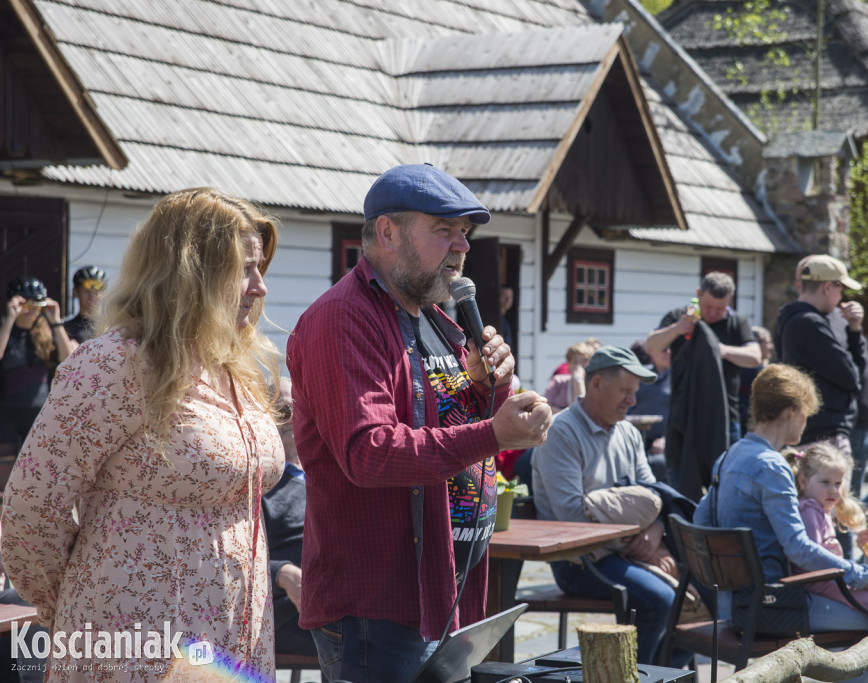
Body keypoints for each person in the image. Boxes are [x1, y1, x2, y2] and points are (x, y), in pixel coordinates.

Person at [0, 187, 286, 679]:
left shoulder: (234, 368)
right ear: (190, 273)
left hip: (231, 647)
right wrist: (74, 609)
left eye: (260, 269)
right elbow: (30, 514)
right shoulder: (115, 366)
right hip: (134, 647)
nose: (259, 287)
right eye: (243, 269)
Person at [286, 163, 552, 683]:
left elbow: (451, 421)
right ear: (387, 232)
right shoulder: (343, 318)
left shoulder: (436, 315)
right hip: (377, 607)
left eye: (465, 233)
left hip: (444, 589)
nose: (462, 247)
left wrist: (489, 388)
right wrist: (496, 432)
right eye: (443, 230)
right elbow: (371, 452)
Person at [693, 364, 868, 639]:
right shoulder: (771, 467)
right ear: (791, 412)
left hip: (732, 604)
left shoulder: (729, 456)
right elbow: (798, 548)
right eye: (805, 414)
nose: (806, 422)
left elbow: (700, 524)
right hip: (774, 605)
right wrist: (862, 574)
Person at [531, 346, 677, 665]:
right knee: (662, 599)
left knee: (700, 596)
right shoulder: (560, 432)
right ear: (595, 384)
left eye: (635, 392)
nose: (633, 401)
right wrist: (636, 542)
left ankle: (662, 672)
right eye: (625, 390)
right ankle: (629, 675)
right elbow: (572, 516)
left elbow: (654, 494)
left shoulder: (627, 432)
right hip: (578, 561)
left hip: (618, 552)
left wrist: (655, 531)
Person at [791, 443, 868, 681]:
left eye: (837, 484)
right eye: (825, 483)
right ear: (804, 482)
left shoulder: (820, 509)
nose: (833, 490)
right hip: (821, 584)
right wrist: (833, 552)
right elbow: (813, 558)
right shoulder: (809, 510)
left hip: (831, 580)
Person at [646, 271, 760, 446]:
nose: (713, 313)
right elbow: (651, 347)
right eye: (708, 307)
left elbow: (755, 357)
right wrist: (677, 329)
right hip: (684, 413)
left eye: (720, 309)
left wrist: (721, 351)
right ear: (698, 294)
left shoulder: (737, 322)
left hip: (725, 416)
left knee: (723, 471)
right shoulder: (680, 315)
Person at [774, 254, 867, 462]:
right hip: (825, 434)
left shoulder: (787, 319)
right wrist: (854, 331)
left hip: (806, 428)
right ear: (827, 287)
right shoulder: (811, 323)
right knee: (833, 495)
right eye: (840, 288)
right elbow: (851, 376)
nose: (841, 297)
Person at [262, 378, 316, 658]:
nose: (290, 419)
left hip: (339, 598)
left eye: (299, 408)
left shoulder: (325, 470)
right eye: (281, 411)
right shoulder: (259, 488)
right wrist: (281, 572)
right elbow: (234, 560)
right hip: (286, 611)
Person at [0, 277, 76, 461]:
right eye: (27, 306)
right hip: (6, 411)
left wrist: (55, 320)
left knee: (35, 467)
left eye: (36, 306)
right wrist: (10, 319)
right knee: (4, 474)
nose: (31, 312)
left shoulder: (47, 332)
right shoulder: (6, 331)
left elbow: (69, 360)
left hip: (39, 412)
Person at [545, 340, 599, 412]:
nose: (578, 366)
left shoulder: (595, 385)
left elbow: (582, 410)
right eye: (575, 362)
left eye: (584, 361)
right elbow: (544, 404)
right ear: (569, 363)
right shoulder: (558, 381)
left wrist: (578, 380)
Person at [737, 325, 773, 434]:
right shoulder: (757, 371)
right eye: (767, 342)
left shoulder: (738, 365)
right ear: (757, 344)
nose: (771, 346)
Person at [62, 265, 106, 343]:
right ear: (75, 292)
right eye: (86, 291)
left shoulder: (110, 327)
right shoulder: (64, 329)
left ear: (103, 293)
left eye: (96, 291)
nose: (92, 296)